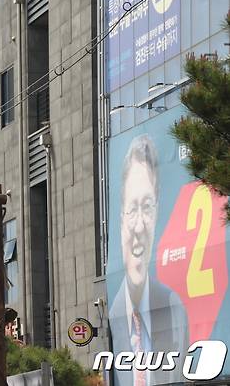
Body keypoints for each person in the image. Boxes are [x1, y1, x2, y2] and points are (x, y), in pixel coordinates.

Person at [108, 134, 188, 386]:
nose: (140, 226)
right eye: (132, 209)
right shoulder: (111, 315)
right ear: (121, 218)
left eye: (147, 207)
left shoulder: (174, 308)